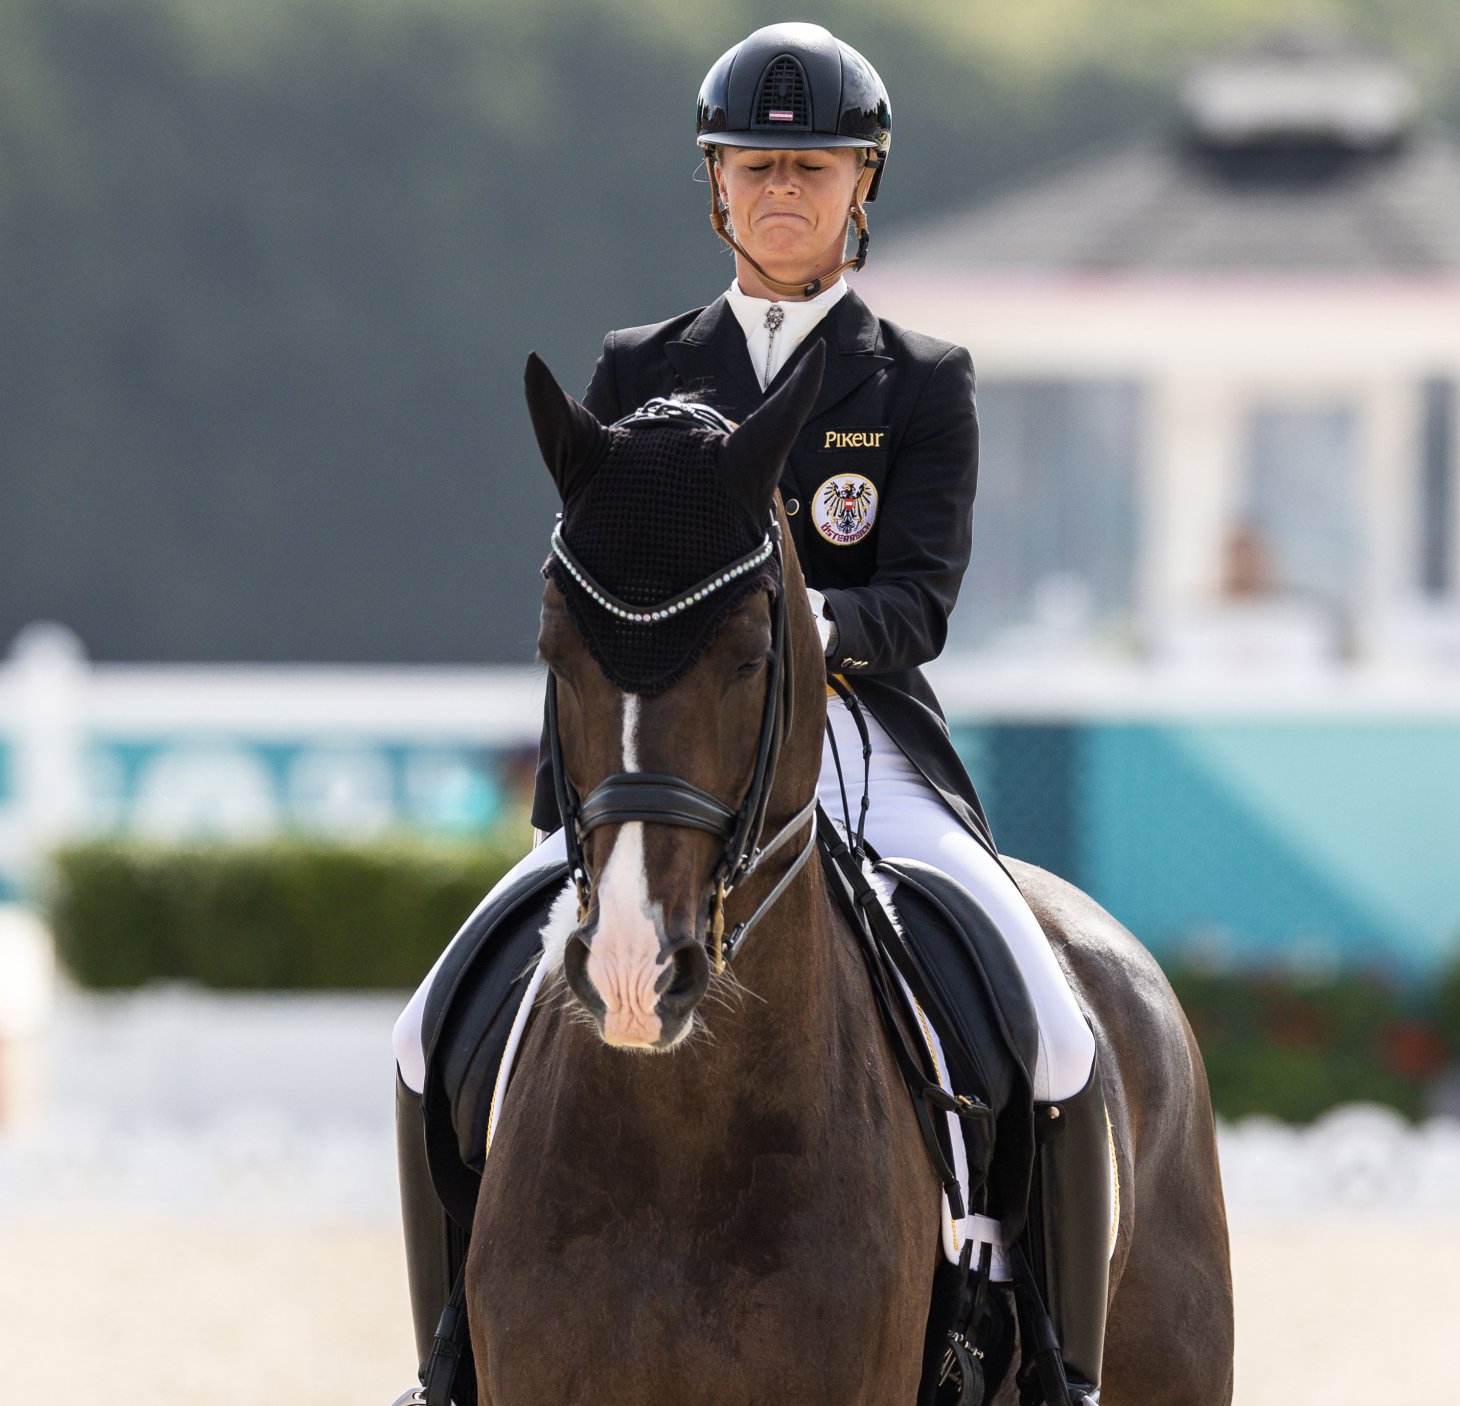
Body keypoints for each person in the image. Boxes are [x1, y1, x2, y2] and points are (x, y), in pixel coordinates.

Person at [389, 23, 1110, 1406]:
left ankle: (1052, 1363)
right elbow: (593, 590)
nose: (785, 188)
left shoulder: (918, 379)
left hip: (855, 731)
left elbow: (921, 599)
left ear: (863, 186)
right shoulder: (636, 365)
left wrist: (800, 637)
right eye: (757, 164)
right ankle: (452, 1365)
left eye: (815, 166)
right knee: (429, 1028)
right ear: (716, 186)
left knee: (1054, 1020)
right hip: (664, 755)